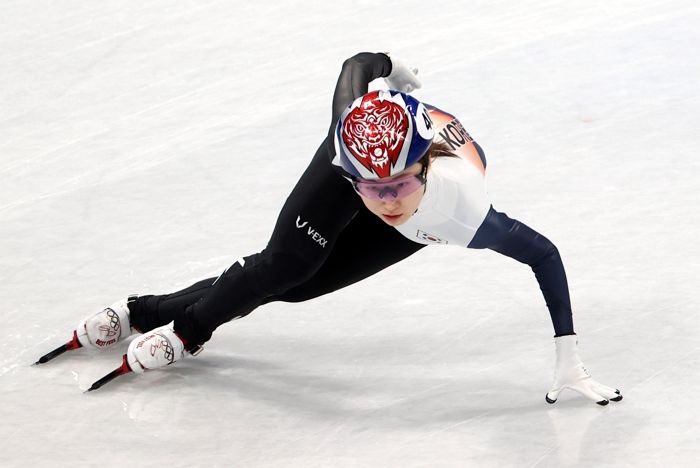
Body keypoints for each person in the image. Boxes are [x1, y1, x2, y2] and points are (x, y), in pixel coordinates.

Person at [73, 52, 621, 405]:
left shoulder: (464, 211)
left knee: (295, 289)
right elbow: (358, 63)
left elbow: (544, 254)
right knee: (284, 264)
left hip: (417, 209)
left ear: (426, 168)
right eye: (371, 190)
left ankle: (154, 313)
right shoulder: (349, 133)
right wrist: (393, 67)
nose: (383, 202)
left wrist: (567, 352)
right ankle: (164, 322)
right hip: (360, 158)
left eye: (397, 188)